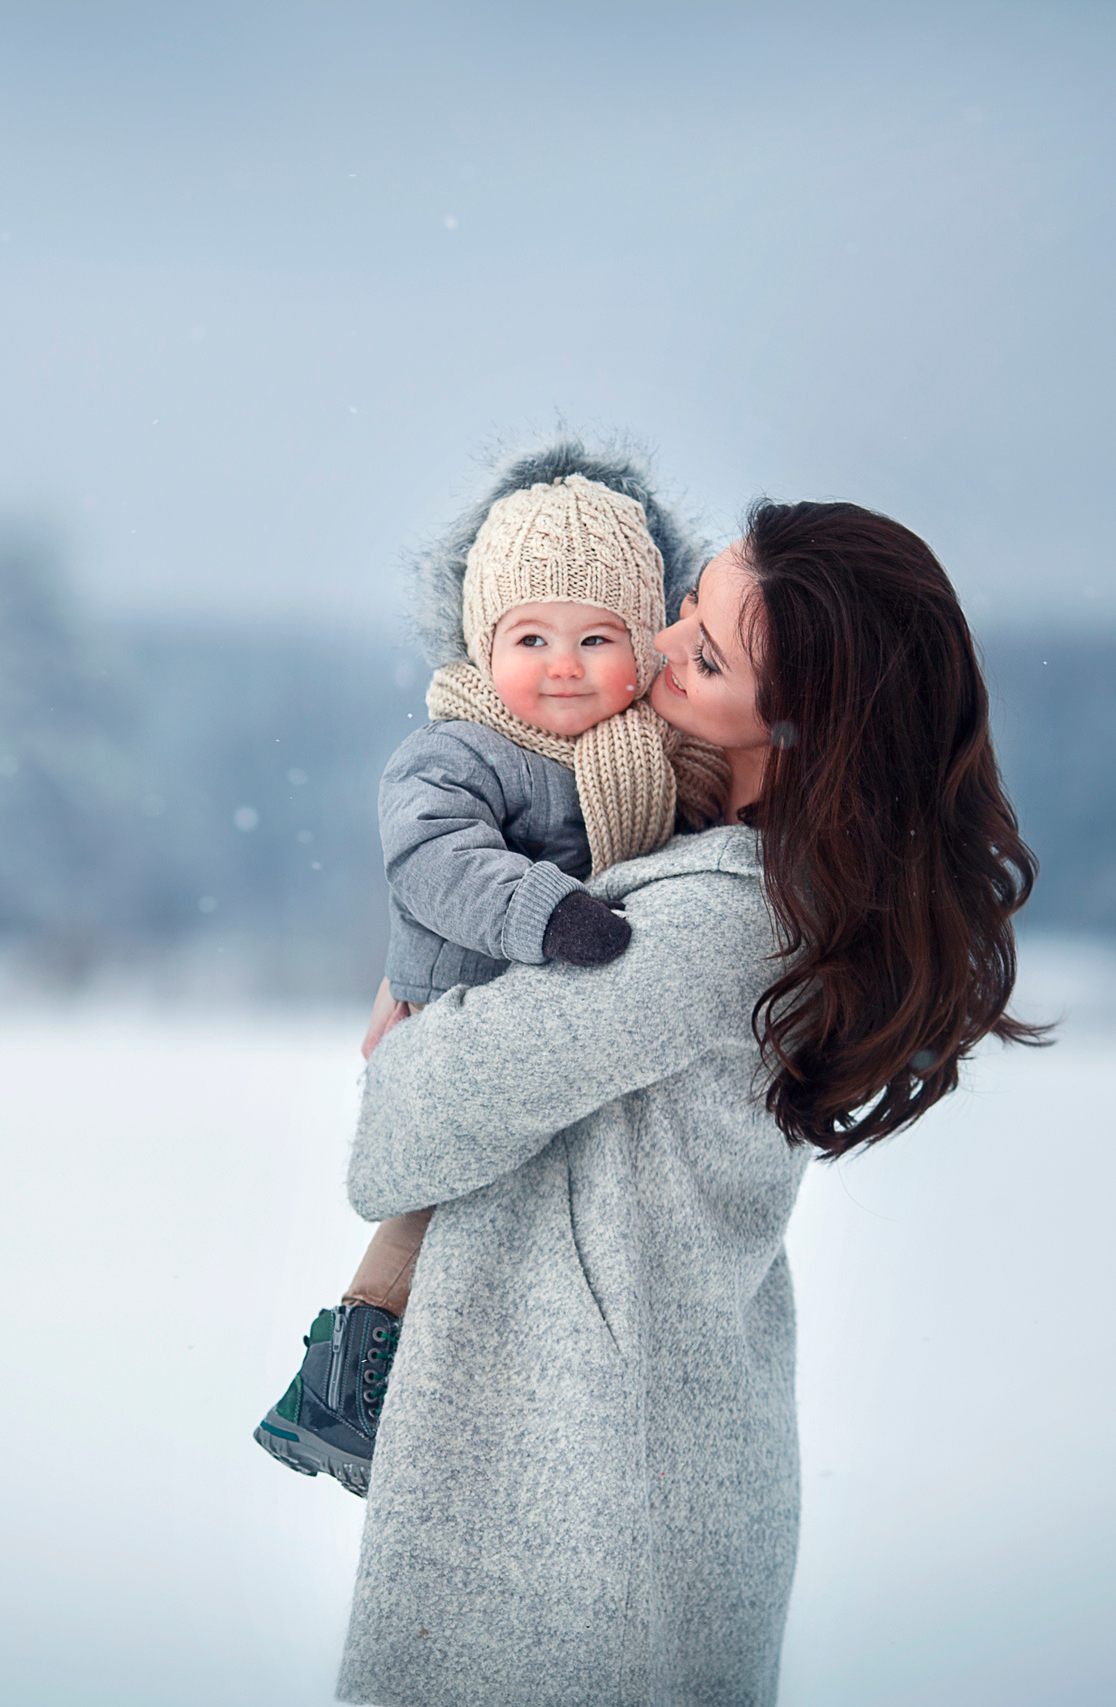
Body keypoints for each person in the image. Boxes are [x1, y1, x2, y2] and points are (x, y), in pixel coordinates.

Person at [334, 495, 1046, 1707]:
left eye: (707, 656)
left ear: (800, 735)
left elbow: (397, 1135)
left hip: (574, 1514)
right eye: (685, 607)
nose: (658, 646)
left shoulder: (701, 924)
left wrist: (424, 1011)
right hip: (649, 1470)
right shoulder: (772, 893)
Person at [255, 452, 726, 1497]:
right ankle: (345, 1380)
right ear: (483, 641)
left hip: (550, 1021)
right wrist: (545, 913)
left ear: (642, 646)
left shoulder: (642, 750)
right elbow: (433, 860)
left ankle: (448, 1397)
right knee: (429, 1206)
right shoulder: (458, 751)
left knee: (507, 1222)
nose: (563, 665)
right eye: (531, 638)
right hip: (459, 1005)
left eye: (596, 639)